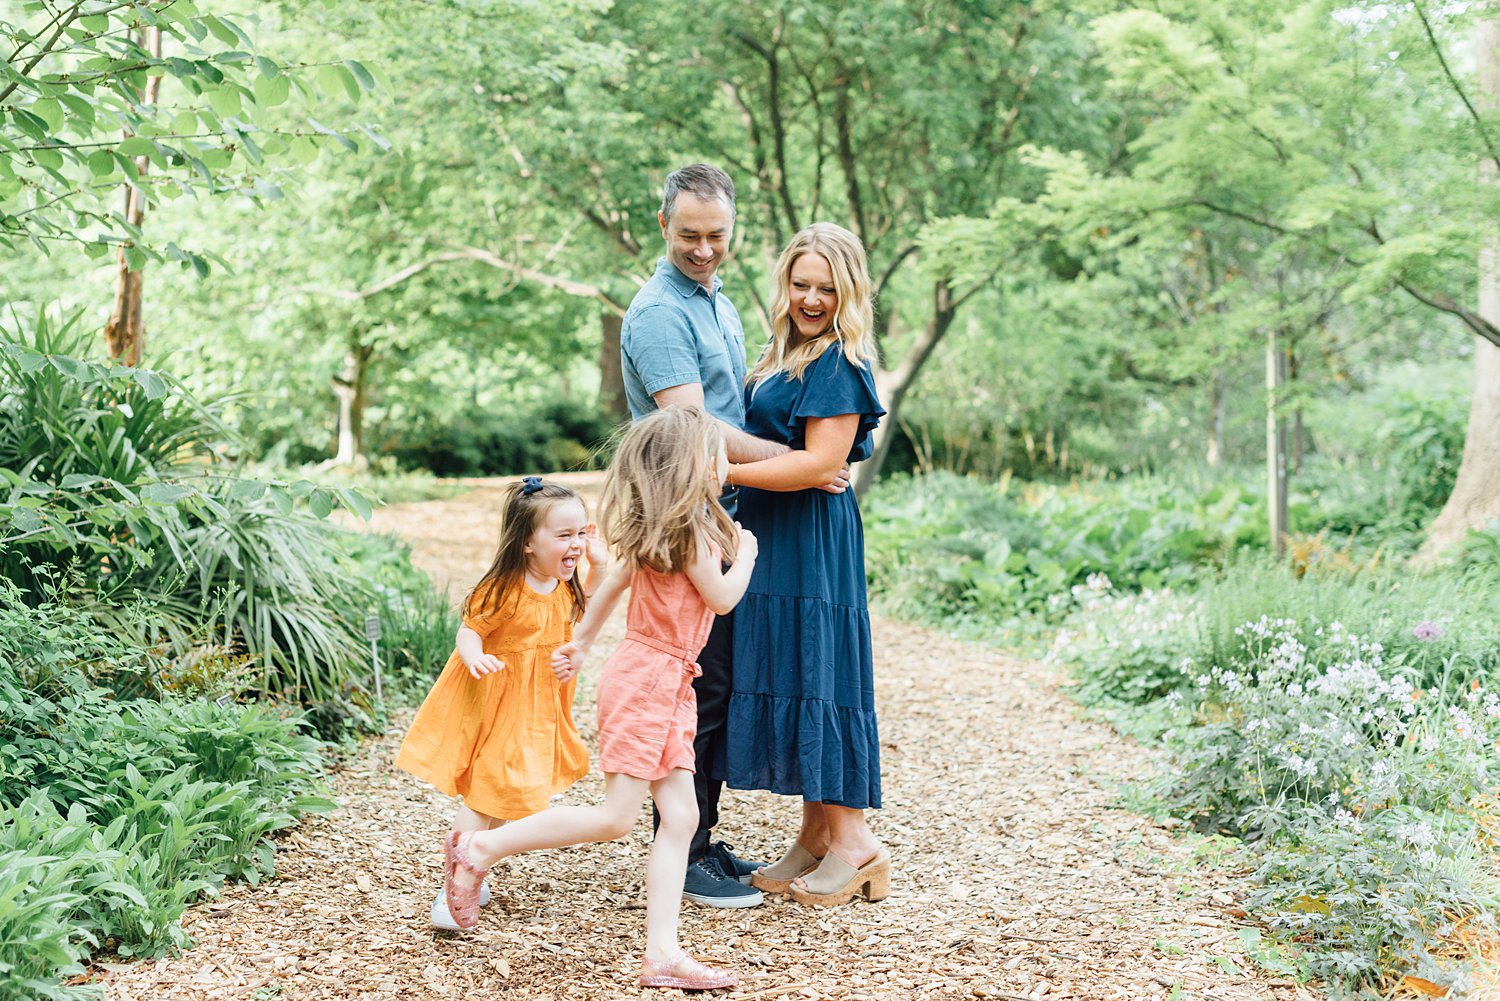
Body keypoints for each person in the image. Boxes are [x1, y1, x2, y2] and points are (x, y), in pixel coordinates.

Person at [442, 406, 755, 991]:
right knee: (615, 818)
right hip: (647, 684)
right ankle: (481, 846)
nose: (727, 462)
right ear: (692, 464)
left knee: (682, 815)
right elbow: (721, 599)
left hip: (667, 681)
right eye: (720, 453)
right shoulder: (688, 533)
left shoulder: (676, 527)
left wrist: (581, 644)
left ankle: (662, 952)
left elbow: (611, 582)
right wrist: (751, 557)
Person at [619, 163, 798, 906]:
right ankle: (682, 852)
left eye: (717, 235)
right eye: (689, 235)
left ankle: (699, 835)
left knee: (714, 685)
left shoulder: (715, 301)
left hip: (720, 514)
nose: (703, 248)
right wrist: (797, 461)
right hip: (682, 521)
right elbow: (695, 427)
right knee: (690, 687)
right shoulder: (661, 313)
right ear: (662, 226)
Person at [718, 223, 890, 906]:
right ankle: (816, 834)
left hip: (812, 538)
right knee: (794, 664)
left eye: (825, 287)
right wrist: (777, 468)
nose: (811, 297)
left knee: (816, 665)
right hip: (779, 526)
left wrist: (718, 470)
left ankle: (856, 843)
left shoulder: (838, 362)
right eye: (800, 283)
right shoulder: (789, 350)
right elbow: (796, 456)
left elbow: (823, 462)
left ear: (847, 291)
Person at [393, 477, 608, 931]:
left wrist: (600, 569)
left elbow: (576, 624)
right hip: (500, 701)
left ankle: (473, 868)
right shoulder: (506, 588)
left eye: (581, 533)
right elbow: (469, 630)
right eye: (564, 535)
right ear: (528, 542)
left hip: (537, 705)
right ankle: (453, 885)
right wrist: (475, 656)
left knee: (496, 796)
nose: (576, 544)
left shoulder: (563, 585)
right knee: (485, 793)